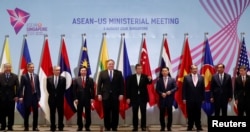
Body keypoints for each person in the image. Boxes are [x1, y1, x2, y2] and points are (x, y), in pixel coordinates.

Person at [97, 59, 124, 131]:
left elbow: (121, 85)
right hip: (105, 96)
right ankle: (107, 127)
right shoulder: (102, 73)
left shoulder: (119, 73)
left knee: (115, 112)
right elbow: (99, 85)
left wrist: (121, 94)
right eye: (109, 64)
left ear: (114, 65)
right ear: (107, 65)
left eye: (112, 64)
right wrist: (99, 94)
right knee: (106, 112)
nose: (111, 65)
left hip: (116, 96)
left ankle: (114, 127)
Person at [126, 64, 152, 131]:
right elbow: (128, 88)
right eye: (138, 68)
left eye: (141, 68)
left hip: (143, 98)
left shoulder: (145, 76)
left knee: (143, 113)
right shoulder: (131, 77)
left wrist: (149, 79)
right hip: (134, 98)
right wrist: (128, 97)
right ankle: (135, 127)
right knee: (135, 113)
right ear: (136, 69)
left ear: (142, 69)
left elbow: (149, 83)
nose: (139, 70)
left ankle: (143, 126)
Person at [19, 62, 41, 131]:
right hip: (27, 98)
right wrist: (21, 96)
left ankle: (35, 127)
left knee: (36, 113)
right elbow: (21, 87)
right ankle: (26, 127)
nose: (32, 68)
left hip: (35, 97)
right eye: (31, 67)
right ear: (27, 68)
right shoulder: (24, 76)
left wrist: (39, 96)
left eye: (33, 67)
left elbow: (38, 87)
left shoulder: (36, 76)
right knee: (27, 113)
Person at [182, 64, 205, 131]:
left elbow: (203, 89)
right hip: (189, 99)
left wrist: (203, 98)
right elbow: (184, 89)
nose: (195, 70)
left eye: (196, 69)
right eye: (193, 69)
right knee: (190, 113)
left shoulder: (201, 77)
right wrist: (184, 98)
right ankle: (190, 126)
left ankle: (198, 126)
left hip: (199, 99)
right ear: (191, 70)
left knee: (198, 113)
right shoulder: (186, 77)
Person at [73, 66, 94, 131]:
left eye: (85, 70)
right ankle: (80, 126)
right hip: (79, 100)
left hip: (88, 99)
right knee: (79, 113)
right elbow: (74, 90)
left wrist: (92, 98)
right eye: (82, 70)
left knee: (88, 113)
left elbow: (92, 89)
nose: (83, 72)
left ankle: (87, 126)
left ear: (86, 71)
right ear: (80, 71)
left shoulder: (90, 79)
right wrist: (75, 98)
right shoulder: (76, 79)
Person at [156, 66, 177, 131]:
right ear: (161, 72)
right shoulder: (159, 80)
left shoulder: (172, 79)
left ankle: (169, 127)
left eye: (166, 71)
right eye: (163, 71)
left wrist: (170, 91)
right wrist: (161, 93)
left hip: (169, 99)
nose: (164, 72)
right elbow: (157, 89)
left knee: (170, 114)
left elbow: (176, 88)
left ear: (168, 72)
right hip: (162, 99)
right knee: (161, 114)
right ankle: (162, 127)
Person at [0, 63, 19, 131]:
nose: (8, 69)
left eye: (9, 67)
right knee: (2, 113)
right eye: (6, 67)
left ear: (11, 68)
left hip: (12, 98)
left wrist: (17, 96)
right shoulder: (0, 76)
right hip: (2, 98)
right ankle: (3, 126)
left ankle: (10, 126)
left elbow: (18, 87)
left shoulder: (15, 76)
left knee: (11, 113)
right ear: (4, 68)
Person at [46, 66, 66, 131]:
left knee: (60, 113)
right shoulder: (48, 78)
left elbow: (63, 89)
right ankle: (53, 127)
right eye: (56, 70)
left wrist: (58, 95)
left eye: (59, 70)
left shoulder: (63, 79)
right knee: (52, 113)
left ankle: (60, 126)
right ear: (53, 71)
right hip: (51, 99)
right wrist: (53, 95)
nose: (58, 71)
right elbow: (48, 89)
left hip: (60, 99)